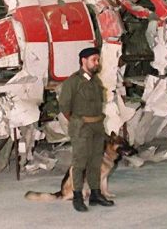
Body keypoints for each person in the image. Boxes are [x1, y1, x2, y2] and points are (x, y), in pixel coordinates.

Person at [58, 47, 115, 212]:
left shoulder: (96, 81)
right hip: (82, 128)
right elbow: (64, 107)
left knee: (95, 162)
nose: (97, 63)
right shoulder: (73, 82)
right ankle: (77, 196)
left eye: (98, 60)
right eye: (94, 60)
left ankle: (96, 194)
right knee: (79, 163)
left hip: (97, 126)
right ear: (83, 61)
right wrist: (77, 122)